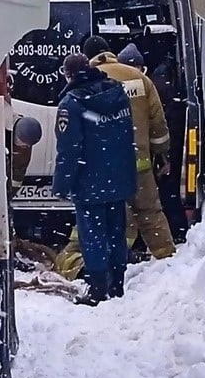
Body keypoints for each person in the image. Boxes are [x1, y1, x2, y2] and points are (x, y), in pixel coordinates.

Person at [51, 51, 137, 304]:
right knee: (116, 232)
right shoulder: (117, 93)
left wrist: (61, 184)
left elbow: (69, 149)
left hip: (89, 181)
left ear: (68, 74)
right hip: (119, 177)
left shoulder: (71, 104)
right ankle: (117, 284)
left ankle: (98, 288)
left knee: (93, 236)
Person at [87, 39, 176, 262]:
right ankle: (167, 258)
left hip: (103, 166)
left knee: (111, 216)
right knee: (150, 213)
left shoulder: (88, 78)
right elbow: (158, 123)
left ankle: (117, 261)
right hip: (139, 163)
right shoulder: (140, 79)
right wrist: (160, 153)